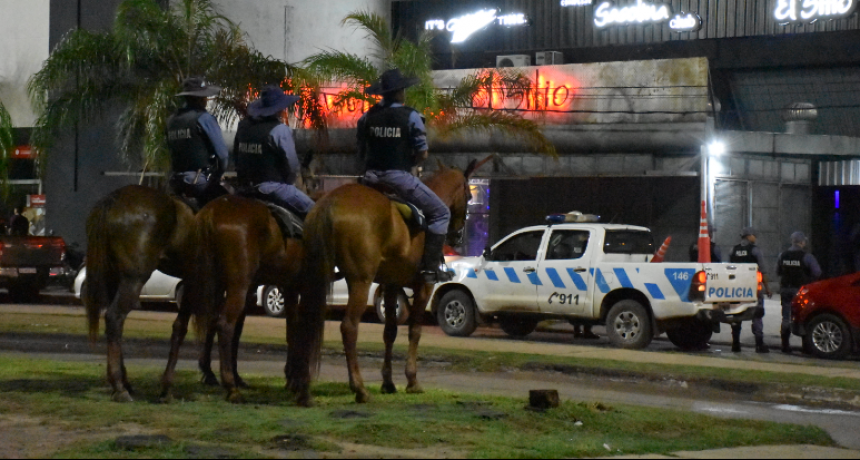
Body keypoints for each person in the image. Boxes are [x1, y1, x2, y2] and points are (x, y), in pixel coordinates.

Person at [357, 68, 452, 284]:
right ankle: (430, 270)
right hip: (398, 178)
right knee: (441, 213)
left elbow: (360, 151)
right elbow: (422, 153)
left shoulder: (366, 118)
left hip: (370, 179)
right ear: (400, 92)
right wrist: (411, 163)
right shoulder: (411, 116)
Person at [234, 85, 314, 217]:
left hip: (245, 188)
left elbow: (236, 157)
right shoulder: (280, 130)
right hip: (273, 188)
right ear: (279, 109)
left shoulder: (242, 126)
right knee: (315, 212)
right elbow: (293, 165)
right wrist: (289, 181)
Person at [166, 77, 229, 209]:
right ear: (201, 99)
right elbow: (223, 155)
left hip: (175, 181)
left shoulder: (171, 120)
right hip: (199, 181)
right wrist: (216, 177)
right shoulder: (204, 118)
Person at [729, 227, 772, 353]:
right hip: (753, 288)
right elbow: (763, 271)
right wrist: (767, 288)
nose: (756, 238)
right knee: (757, 315)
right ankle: (759, 344)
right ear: (749, 236)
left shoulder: (733, 250)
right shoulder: (755, 250)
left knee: (737, 315)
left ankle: (735, 344)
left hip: (737, 288)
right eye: (754, 235)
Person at [776, 231, 821, 354]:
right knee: (803, 316)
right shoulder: (806, 256)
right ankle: (806, 347)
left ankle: (785, 345)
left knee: (786, 317)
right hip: (800, 291)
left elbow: (778, 272)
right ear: (802, 242)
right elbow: (817, 272)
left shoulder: (782, 255)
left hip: (785, 289)